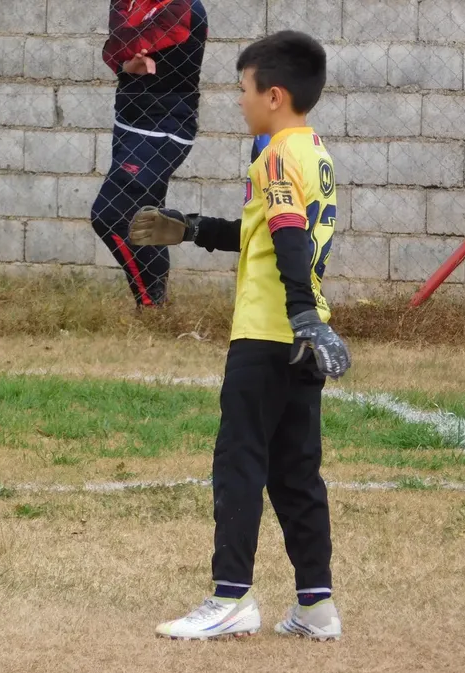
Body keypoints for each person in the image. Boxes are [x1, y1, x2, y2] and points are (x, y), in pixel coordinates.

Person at [128, 30, 352, 640]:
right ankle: (315, 606)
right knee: (295, 471)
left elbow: (286, 234)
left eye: (243, 88)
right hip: (302, 336)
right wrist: (193, 228)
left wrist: (300, 312)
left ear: (274, 94)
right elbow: (266, 231)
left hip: (268, 333)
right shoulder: (315, 155)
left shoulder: (275, 154)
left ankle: (230, 598)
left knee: (238, 462)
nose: (239, 99)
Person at [90, 0, 207, 308]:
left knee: (109, 214)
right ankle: (157, 308)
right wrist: (126, 64)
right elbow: (115, 49)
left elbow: (130, 42)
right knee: (146, 217)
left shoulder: (184, 7)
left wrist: (125, 54)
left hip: (166, 126)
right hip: (127, 120)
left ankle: (150, 303)